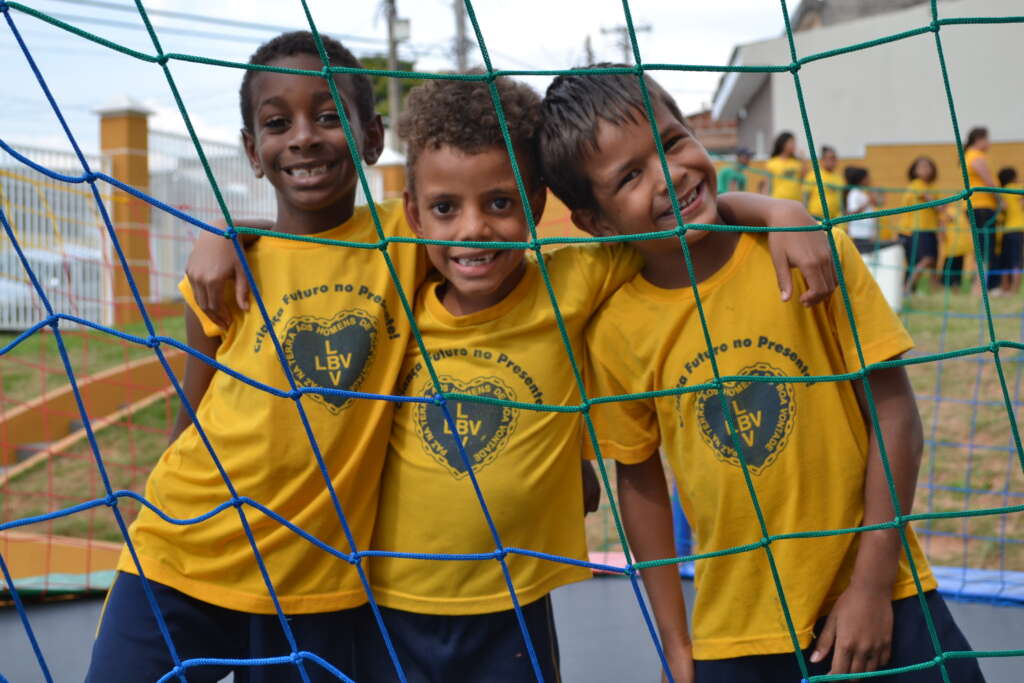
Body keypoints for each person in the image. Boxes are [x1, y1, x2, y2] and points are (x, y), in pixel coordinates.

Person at [355, 73, 838, 683]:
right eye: (446, 209)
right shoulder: (396, 297)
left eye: (499, 203)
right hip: (388, 599)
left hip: (514, 600)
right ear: (415, 215)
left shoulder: (573, 281)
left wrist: (778, 211)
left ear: (533, 206)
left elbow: (669, 219)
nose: (472, 228)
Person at [541, 66, 985, 683]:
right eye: (630, 176)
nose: (671, 175)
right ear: (596, 221)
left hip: (884, 595)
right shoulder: (617, 328)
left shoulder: (808, 251)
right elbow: (639, 479)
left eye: (671, 143)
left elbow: (895, 414)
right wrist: (675, 642)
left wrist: (871, 587)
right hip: (736, 632)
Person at [85, 32, 428, 683]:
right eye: (277, 122)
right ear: (253, 151)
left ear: (373, 136)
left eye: (329, 116)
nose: (303, 136)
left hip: (314, 582)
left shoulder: (406, 239)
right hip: (183, 554)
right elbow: (192, 414)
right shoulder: (224, 272)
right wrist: (223, 232)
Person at [964, 126, 1000, 292]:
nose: (989, 142)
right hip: (982, 206)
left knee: (982, 245)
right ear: (979, 139)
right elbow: (989, 182)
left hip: (979, 206)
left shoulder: (971, 155)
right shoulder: (976, 156)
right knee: (985, 247)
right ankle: (979, 288)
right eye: (987, 138)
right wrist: (1000, 200)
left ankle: (979, 287)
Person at [899, 157, 942, 294]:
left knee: (933, 261)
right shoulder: (917, 184)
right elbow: (937, 205)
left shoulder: (932, 187)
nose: (925, 169)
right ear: (914, 170)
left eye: (928, 166)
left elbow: (940, 208)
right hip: (916, 229)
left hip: (929, 229)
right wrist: (942, 206)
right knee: (926, 259)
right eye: (921, 167)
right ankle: (907, 288)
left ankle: (935, 289)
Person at [997, 167, 1024, 295]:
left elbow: (1003, 209)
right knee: (1016, 260)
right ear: (1013, 177)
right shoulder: (1015, 187)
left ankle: (1005, 288)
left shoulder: (1002, 191)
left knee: (1007, 260)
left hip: (1008, 229)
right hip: (1019, 228)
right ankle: (1014, 290)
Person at [844, 166, 883, 251]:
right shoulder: (854, 193)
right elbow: (852, 212)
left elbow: (879, 203)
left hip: (867, 232)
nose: (869, 180)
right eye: (867, 178)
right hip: (859, 233)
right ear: (861, 180)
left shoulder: (863, 192)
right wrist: (868, 201)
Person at [760, 131, 805, 201]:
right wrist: (764, 200)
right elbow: (767, 185)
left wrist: (803, 160)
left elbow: (804, 180)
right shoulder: (772, 162)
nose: (794, 145)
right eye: (791, 143)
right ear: (783, 144)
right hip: (779, 201)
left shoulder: (797, 163)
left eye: (794, 143)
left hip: (796, 201)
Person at [804, 145, 843, 224]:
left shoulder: (839, 178)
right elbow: (805, 197)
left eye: (834, 158)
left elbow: (841, 201)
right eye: (830, 158)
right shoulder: (813, 175)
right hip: (816, 218)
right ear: (822, 160)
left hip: (834, 220)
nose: (833, 161)